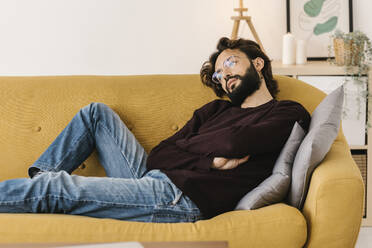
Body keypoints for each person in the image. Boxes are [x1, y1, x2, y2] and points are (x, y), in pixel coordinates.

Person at [0, 37, 310, 223]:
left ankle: (41, 191)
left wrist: (191, 147)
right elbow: (161, 155)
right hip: (157, 178)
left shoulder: (288, 113)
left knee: (58, 189)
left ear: (258, 64)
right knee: (95, 114)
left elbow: (232, 142)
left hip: (181, 199)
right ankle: (38, 185)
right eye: (219, 74)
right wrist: (207, 161)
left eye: (230, 63)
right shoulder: (215, 110)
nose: (224, 75)